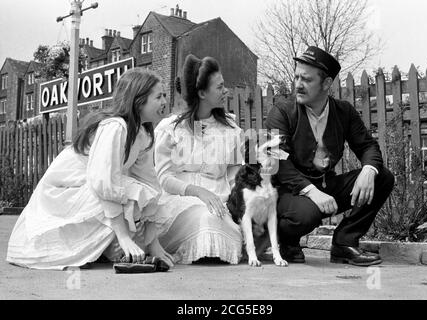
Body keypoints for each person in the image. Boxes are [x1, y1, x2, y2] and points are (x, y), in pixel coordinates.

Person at [6, 68, 174, 270]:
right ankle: (92, 246)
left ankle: (110, 248)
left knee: (138, 190)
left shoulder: (143, 133)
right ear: (138, 101)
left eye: (164, 95)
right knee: (127, 192)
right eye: (158, 96)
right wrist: (122, 235)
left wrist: (152, 243)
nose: (164, 102)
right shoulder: (115, 127)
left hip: (94, 187)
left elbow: (149, 182)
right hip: (66, 190)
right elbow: (103, 182)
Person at [265, 46, 395, 266]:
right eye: (296, 77)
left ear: (326, 84)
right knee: (307, 214)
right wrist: (312, 192)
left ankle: (344, 243)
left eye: (306, 79)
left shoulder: (344, 111)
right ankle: (285, 241)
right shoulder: (281, 111)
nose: (298, 84)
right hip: (287, 191)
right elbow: (277, 162)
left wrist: (368, 169)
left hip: (326, 184)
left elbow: (368, 146)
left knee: (382, 176)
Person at [153, 54, 243, 264]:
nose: (226, 91)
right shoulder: (170, 129)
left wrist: (240, 204)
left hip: (219, 204)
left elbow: (234, 174)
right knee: (205, 217)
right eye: (220, 87)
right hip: (178, 202)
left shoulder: (232, 130)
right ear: (202, 93)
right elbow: (163, 177)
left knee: (214, 217)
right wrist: (199, 192)